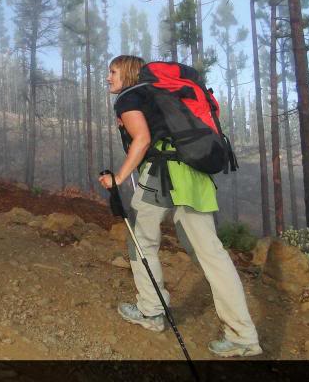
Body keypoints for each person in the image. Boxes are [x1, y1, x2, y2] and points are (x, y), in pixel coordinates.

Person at [98, 55, 262, 358]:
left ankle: (151, 310)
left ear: (129, 73)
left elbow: (142, 139)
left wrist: (119, 177)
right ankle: (243, 334)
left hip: (162, 173)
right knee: (212, 253)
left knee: (140, 240)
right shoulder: (163, 95)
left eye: (113, 71)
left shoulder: (130, 96)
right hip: (194, 174)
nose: (108, 77)